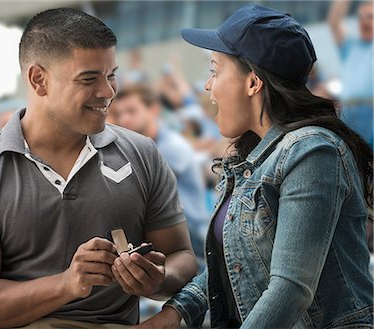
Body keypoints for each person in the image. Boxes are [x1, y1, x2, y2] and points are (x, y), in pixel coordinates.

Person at [0, 8, 197, 329]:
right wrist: (67, 284)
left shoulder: (142, 153)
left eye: (111, 74)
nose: (108, 91)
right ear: (38, 80)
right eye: (89, 78)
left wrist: (156, 279)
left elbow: (182, 258)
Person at [135, 4, 374, 329]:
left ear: (253, 83)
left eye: (215, 71)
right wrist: (175, 311)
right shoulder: (245, 158)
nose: (208, 86)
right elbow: (234, 265)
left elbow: (290, 289)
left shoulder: (313, 152)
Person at [111, 85, 210, 261]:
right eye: (118, 114)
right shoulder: (137, 149)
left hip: (194, 250)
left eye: (132, 111)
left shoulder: (171, 146)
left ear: (154, 110)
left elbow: (136, 190)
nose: (124, 119)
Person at [328, 0, 373, 147]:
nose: (364, 22)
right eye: (361, 18)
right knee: (351, 159)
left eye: (370, 17)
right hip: (349, 114)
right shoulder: (350, 46)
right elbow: (334, 22)